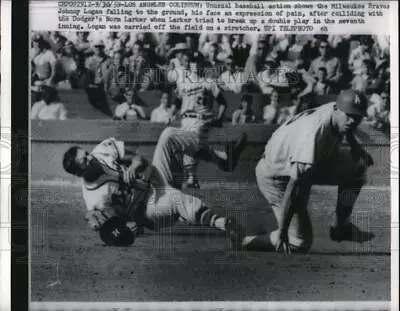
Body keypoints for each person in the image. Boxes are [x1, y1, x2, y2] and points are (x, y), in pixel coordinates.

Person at [241, 89, 375, 253]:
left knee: (358, 167)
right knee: (299, 242)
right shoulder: (313, 133)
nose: (352, 121)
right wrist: (284, 233)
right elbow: (294, 185)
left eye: (357, 117)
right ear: (336, 110)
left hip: (304, 164)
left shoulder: (337, 110)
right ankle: (246, 241)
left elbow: (347, 127)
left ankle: (341, 227)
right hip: (277, 176)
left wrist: (356, 147)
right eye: (348, 115)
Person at [61, 131, 246, 248]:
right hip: (149, 208)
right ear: (79, 173)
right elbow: (118, 227)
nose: (89, 158)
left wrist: (133, 168)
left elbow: (140, 159)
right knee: (176, 199)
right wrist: (108, 224)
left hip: (156, 177)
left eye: (85, 153)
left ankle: (222, 159)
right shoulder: (94, 199)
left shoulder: (101, 151)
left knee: (168, 135)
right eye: (84, 161)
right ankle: (223, 224)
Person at [174, 53, 238, 189]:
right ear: (189, 64)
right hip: (185, 119)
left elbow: (223, 102)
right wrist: (171, 111)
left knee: (189, 144)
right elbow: (178, 100)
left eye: (198, 62)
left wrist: (218, 118)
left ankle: (191, 178)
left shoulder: (209, 82)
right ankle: (223, 157)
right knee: (190, 148)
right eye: (193, 62)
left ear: (202, 65)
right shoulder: (182, 82)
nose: (196, 65)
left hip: (200, 120)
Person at [84, 39, 113, 117]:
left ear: (103, 47)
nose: (98, 48)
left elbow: (111, 74)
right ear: (93, 48)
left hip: (105, 85)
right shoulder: (89, 60)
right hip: (94, 86)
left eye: (100, 46)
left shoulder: (109, 60)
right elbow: (88, 77)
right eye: (96, 46)